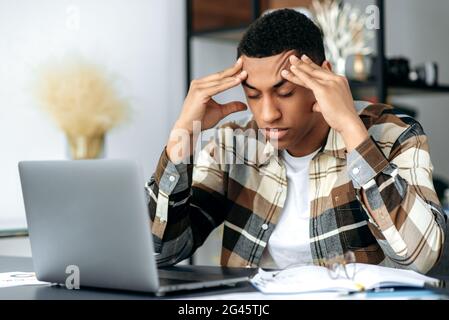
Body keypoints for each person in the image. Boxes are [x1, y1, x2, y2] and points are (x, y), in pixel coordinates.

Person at [146, 9, 446, 273]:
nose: (267, 114)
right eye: (252, 95)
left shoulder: (395, 136)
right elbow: (161, 252)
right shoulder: (234, 144)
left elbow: (421, 257)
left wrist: (351, 130)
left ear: (322, 76)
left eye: (285, 92)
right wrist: (182, 137)